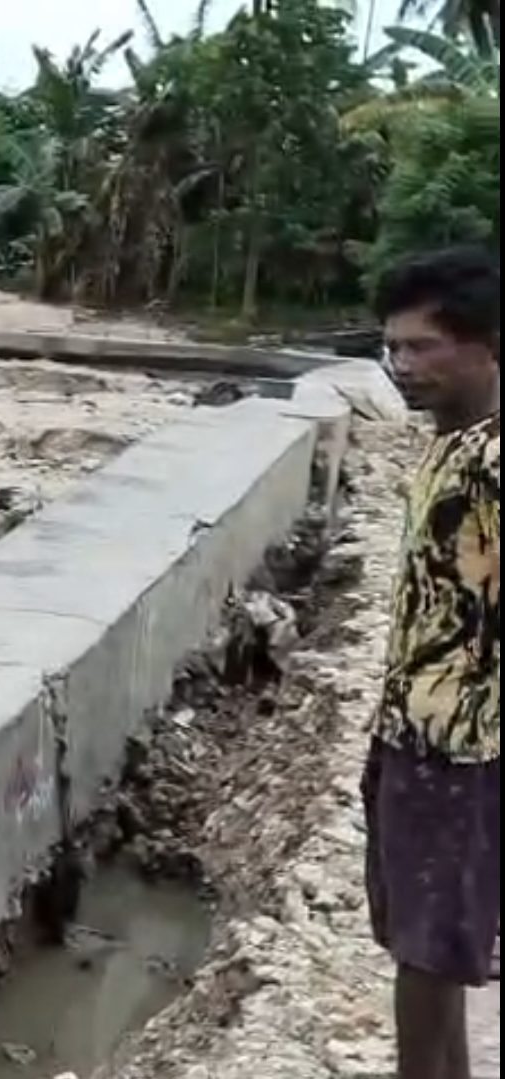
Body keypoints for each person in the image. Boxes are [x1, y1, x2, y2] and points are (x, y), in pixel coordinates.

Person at [364, 246, 502, 1079]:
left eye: (422, 346)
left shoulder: (491, 461)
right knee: (427, 950)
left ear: (486, 344)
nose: (401, 365)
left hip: (460, 747)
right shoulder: (450, 442)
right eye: (391, 347)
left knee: (425, 955)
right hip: (413, 731)